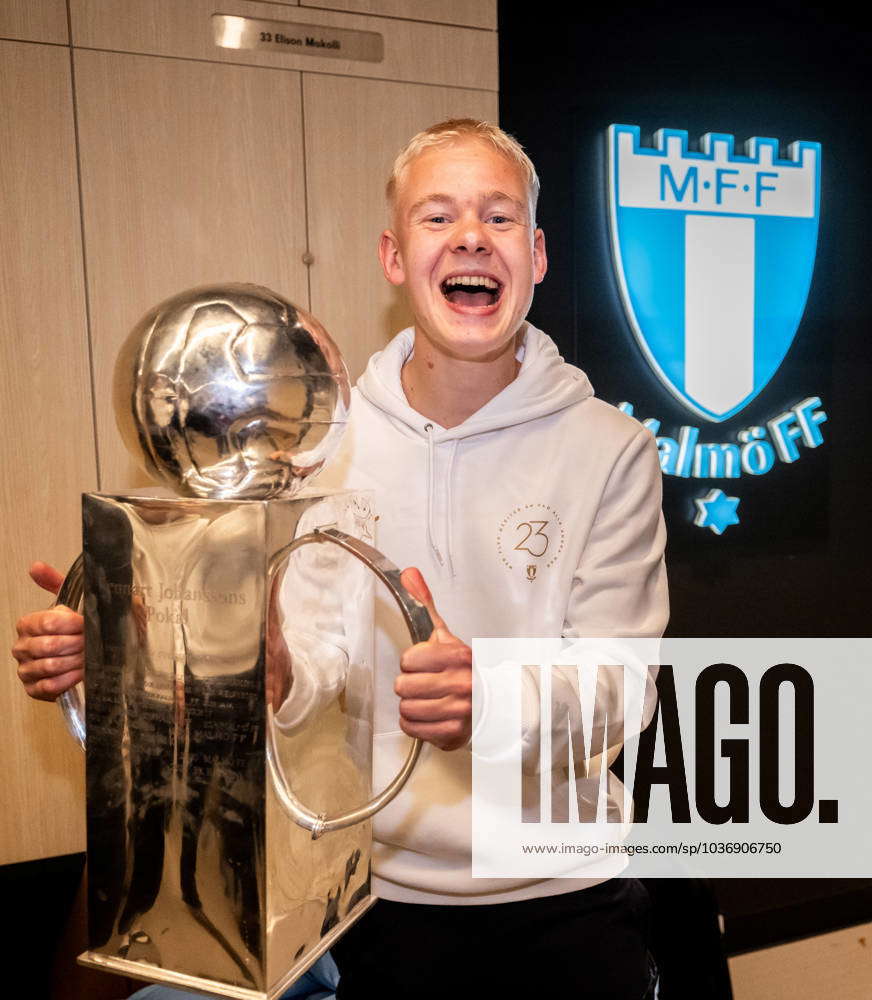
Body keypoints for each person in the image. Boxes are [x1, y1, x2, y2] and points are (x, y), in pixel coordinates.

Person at [13, 119, 668, 998]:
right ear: (394, 259)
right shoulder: (327, 443)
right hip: (372, 898)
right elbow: (316, 678)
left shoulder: (612, 448)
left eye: (498, 217)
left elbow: (621, 696)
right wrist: (211, 674)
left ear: (538, 255)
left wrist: (492, 694)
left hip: (565, 891)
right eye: (438, 217)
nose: (470, 234)